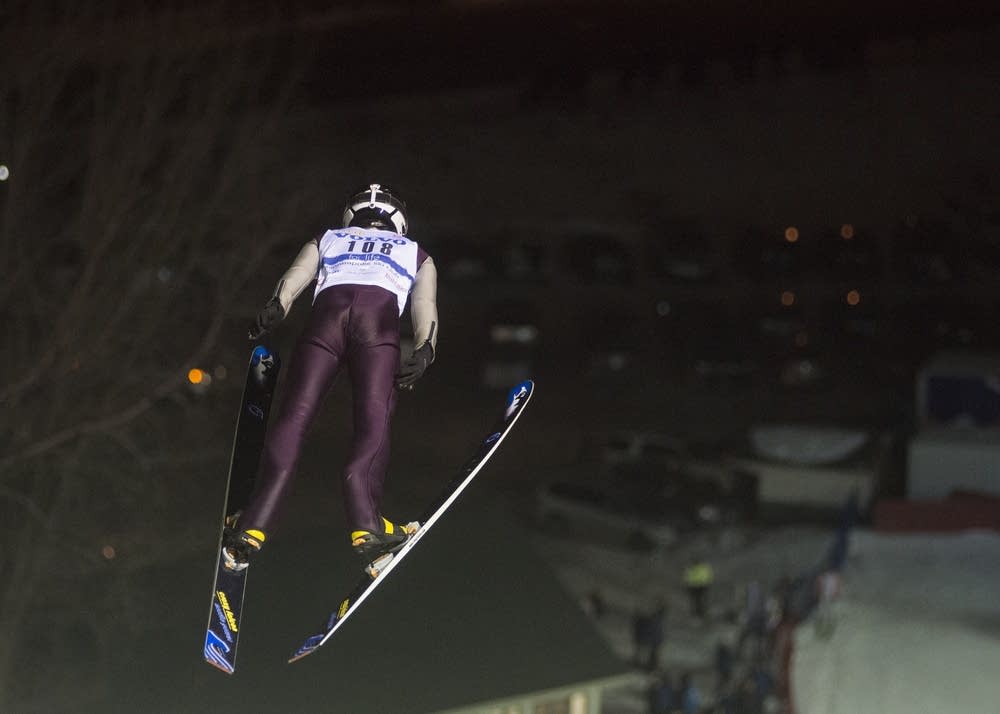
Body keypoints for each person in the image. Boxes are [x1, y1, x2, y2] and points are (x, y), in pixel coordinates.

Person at [222, 183, 438, 577]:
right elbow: (424, 304)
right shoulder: (416, 252)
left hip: (325, 323)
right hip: (378, 327)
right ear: (398, 222)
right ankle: (366, 527)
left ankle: (253, 527)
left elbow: (296, 275)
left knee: (295, 419)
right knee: (373, 423)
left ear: (352, 215)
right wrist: (425, 349)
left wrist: (278, 306)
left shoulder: (329, 237)